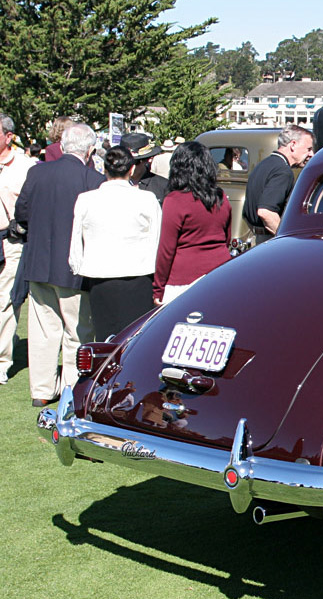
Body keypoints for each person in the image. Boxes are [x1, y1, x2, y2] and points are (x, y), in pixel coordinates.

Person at [14, 123, 105, 406]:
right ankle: (70, 388)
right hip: (74, 269)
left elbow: (22, 214)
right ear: (90, 150)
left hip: (39, 264)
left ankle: (41, 390)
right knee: (76, 332)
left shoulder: (37, 173)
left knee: (43, 330)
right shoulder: (93, 179)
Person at [68, 145, 161, 340]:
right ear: (131, 169)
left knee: (106, 338)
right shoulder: (146, 199)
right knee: (134, 340)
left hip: (103, 277)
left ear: (105, 170)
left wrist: (77, 265)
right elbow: (157, 238)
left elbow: (75, 241)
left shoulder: (86, 200)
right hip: (137, 276)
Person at [154, 142, 231, 305]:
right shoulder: (221, 197)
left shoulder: (174, 201)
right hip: (220, 273)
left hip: (183, 279)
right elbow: (227, 238)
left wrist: (158, 289)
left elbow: (166, 250)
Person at [0, 112, 39, 384]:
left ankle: (2, 361)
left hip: (9, 241)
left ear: (8, 136)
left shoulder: (25, 166)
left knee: (5, 302)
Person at [243, 125, 314, 243]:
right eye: (308, 149)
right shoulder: (283, 171)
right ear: (293, 145)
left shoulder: (263, 165)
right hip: (269, 240)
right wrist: (287, 239)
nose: (311, 154)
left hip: (257, 238)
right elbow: (266, 212)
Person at [120, 132, 169, 204]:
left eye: (136, 162)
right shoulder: (111, 186)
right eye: (125, 163)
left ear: (146, 160)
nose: (130, 167)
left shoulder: (162, 186)